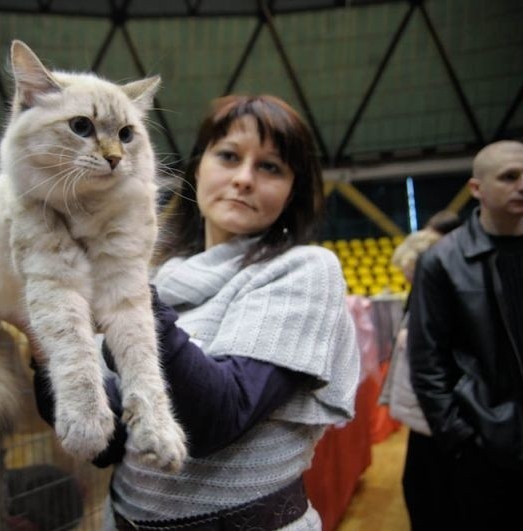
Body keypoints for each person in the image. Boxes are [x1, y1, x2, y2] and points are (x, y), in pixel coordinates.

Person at [32, 94, 360, 530]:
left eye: (270, 167)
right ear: (198, 167)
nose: (244, 178)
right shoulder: (158, 277)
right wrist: (41, 336)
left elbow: (217, 419)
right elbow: (106, 440)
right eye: (228, 156)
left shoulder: (304, 270)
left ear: (291, 191)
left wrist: (122, 290)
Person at [407, 139, 523, 529]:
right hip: (487, 447)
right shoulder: (441, 262)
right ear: (476, 189)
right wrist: (462, 441)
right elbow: (427, 363)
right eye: (510, 176)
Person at [379, 209, 461, 530]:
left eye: (413, 274)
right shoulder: (425, 296)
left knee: (434, 498)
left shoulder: (450, 299)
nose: (410, 281)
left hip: (443, 420)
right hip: (425, 418)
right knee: (421, 491)